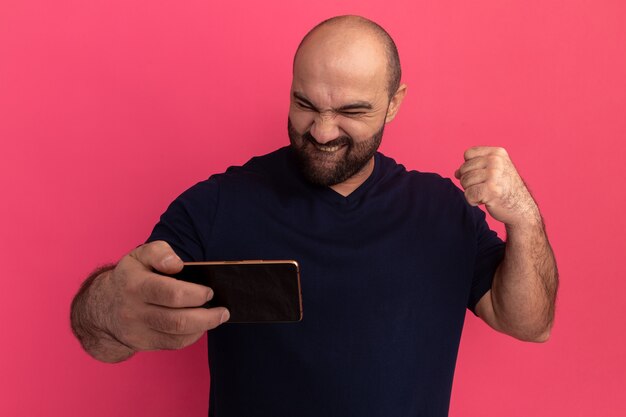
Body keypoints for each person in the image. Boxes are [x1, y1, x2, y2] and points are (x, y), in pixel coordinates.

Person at [70, 15, 558, 417]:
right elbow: (102, 339)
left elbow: (530, 323)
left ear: (394, 105)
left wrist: (524, 219)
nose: (323, 132)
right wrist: (108, 307)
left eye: (352, 111)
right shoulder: (217, 204)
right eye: (305, 104)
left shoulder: (444, 209)